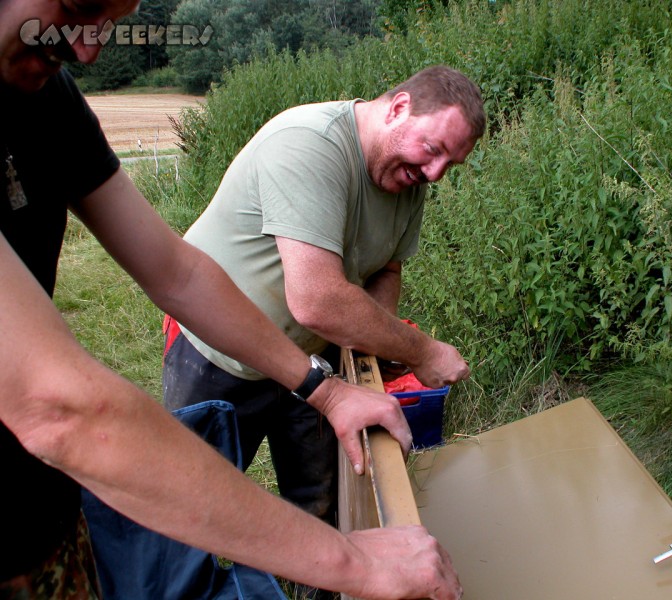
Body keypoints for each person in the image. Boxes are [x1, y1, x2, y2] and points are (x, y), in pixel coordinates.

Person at [0, 1, 463, 599]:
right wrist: (356, 563)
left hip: (41, 522)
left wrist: (323, 390)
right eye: (78, 7)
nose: (87, 49)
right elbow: (60, 409)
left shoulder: (48, 99)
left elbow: (180, 273)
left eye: (107, 24)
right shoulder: (312, 144)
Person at [162, 65, 486, 541]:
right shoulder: (309, 145)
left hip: (313, 362)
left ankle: (314, 586)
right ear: (398, 107)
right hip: (218, 352)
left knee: (317, 501)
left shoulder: (408, 178)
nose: (435, 173)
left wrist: (374, 346)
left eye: (449, 166)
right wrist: (422, 351)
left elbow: (386, 269)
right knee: (190, 508)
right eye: (433, 150)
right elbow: (317, 300)